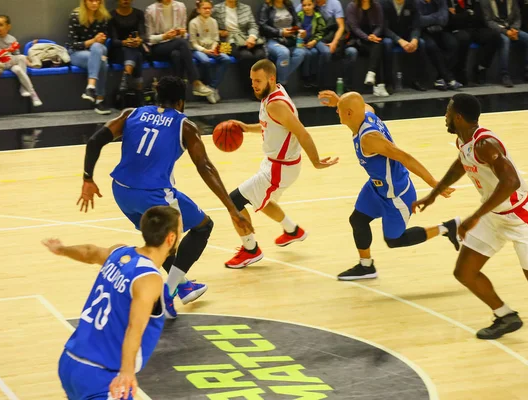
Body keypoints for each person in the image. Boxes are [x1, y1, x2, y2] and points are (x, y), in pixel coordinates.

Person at [413, 93, 528, 339]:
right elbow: (461, 165)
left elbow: (511, 181)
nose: (445, 117)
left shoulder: (484, 144)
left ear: (459, 117)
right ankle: (505, 315)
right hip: (493, 215)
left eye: (447, 112)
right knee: (464, 272)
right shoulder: (463, 143)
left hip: (521, 217)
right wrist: (434, 194)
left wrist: (475, 216)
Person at [77, 75, 253, 318]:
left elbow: (95, 140)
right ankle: (166, 295)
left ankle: (183, 286)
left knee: (161, 240)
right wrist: (232, 208)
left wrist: (88, 178)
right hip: (154, 196)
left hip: (122, 192)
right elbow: (205, 167)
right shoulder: (186, 126)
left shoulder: (131, 114)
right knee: (203, 227)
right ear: (181, 102)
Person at [318, 90, 459, 280]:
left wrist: (435, 183)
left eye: (340, 110)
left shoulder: (369, 139)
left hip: (396, 196)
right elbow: (367, 106)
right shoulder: (365, 115)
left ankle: (447, 228)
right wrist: (339, 102)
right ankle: (366, 266)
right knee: (358, 220)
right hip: (376, 187)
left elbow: (405, 157)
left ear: (349, 113)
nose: (336, 112)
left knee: (394, 240)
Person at [44, 205, 181, 400]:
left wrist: (62, 249)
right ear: (171, 238)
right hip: (103, 376)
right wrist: (127, 372)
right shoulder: (149, 279)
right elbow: (135, 327)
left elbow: (90, 252)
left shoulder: (120, 253)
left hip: (70, 362)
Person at [224, 59, 338, 269]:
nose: (254, 85)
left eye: (257, 81)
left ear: (271, 78)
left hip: (280, 168)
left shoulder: (276, 104)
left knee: (233, 202)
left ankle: (251, 250)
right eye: (252, 81)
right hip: (274, 163)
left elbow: (302, 132)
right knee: (262, 200)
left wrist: (316, 162)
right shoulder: (272, 94)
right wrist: (248, 129)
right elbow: (272, 125)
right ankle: (292, 230)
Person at [144, 0, 213, 97]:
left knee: (176, 54)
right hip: (158, 47)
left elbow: (184, 35)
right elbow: (149, 38)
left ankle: (176, 94)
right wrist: (164, 36)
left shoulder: (180, 7)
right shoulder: (151, 10)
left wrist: (181, 33)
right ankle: (195, 82)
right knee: (181, 43)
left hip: (176, 45)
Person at [67, 0, 112, 114]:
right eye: (91, 0)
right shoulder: (75, 16)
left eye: (98, 1)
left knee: (97, 48)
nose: (95, 3)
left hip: (98, 50)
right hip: (77, 53)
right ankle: (99, 100)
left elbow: (103, 42)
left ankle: (90, 87)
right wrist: (93, 40)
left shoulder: (103, 17)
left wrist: (101, 39)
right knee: (102, 63)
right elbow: (73, 44)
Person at [0, 15, 43, 106]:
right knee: (22, 57)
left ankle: (31, 93)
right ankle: (29, 91)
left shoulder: (12, 39)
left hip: (11, 64)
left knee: (19, 68)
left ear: (8, 27)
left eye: (1, 25)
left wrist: (27, 61)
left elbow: (16, 55)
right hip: (1, 64)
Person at [188, 0, 232, 104]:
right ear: (198, 10)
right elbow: (193, 43)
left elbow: (216, 39)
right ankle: (209, 88)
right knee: (205, 61)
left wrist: (213, 49)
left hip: (211, 49)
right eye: (204, 8)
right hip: (198, 50)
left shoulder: (213, 21)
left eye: (209, 8)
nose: (207, 10)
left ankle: (212, 88)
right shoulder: (193, 23)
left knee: (226, 59)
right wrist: (205, 50)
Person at [109, 0, 147, 94]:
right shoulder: (111, 15)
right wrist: (125, 42)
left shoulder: (139, 13)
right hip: (119, 50)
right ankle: (139, 93)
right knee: (137, 54)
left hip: (136, 46)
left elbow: (143, 35)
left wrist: (139, 40)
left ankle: (126, 78)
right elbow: (113, 41)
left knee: (135, 51)